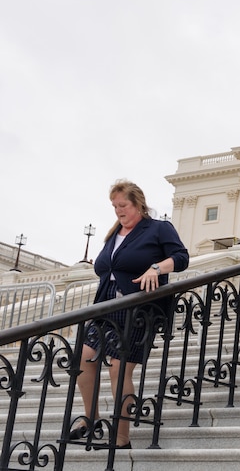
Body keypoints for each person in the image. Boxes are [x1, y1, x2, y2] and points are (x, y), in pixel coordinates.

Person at [73, 180, 189, 449]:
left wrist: (157, 268)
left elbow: (181, 257)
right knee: (82, 359)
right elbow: (106, 267)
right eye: (114, 206)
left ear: (138, 203)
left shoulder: (159, 228)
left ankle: (122, 437)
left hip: (139, 310)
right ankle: (90, 419)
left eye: (123, 205)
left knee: (118, 367)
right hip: (106, 308)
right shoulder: (114, 235)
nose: (118, 211)